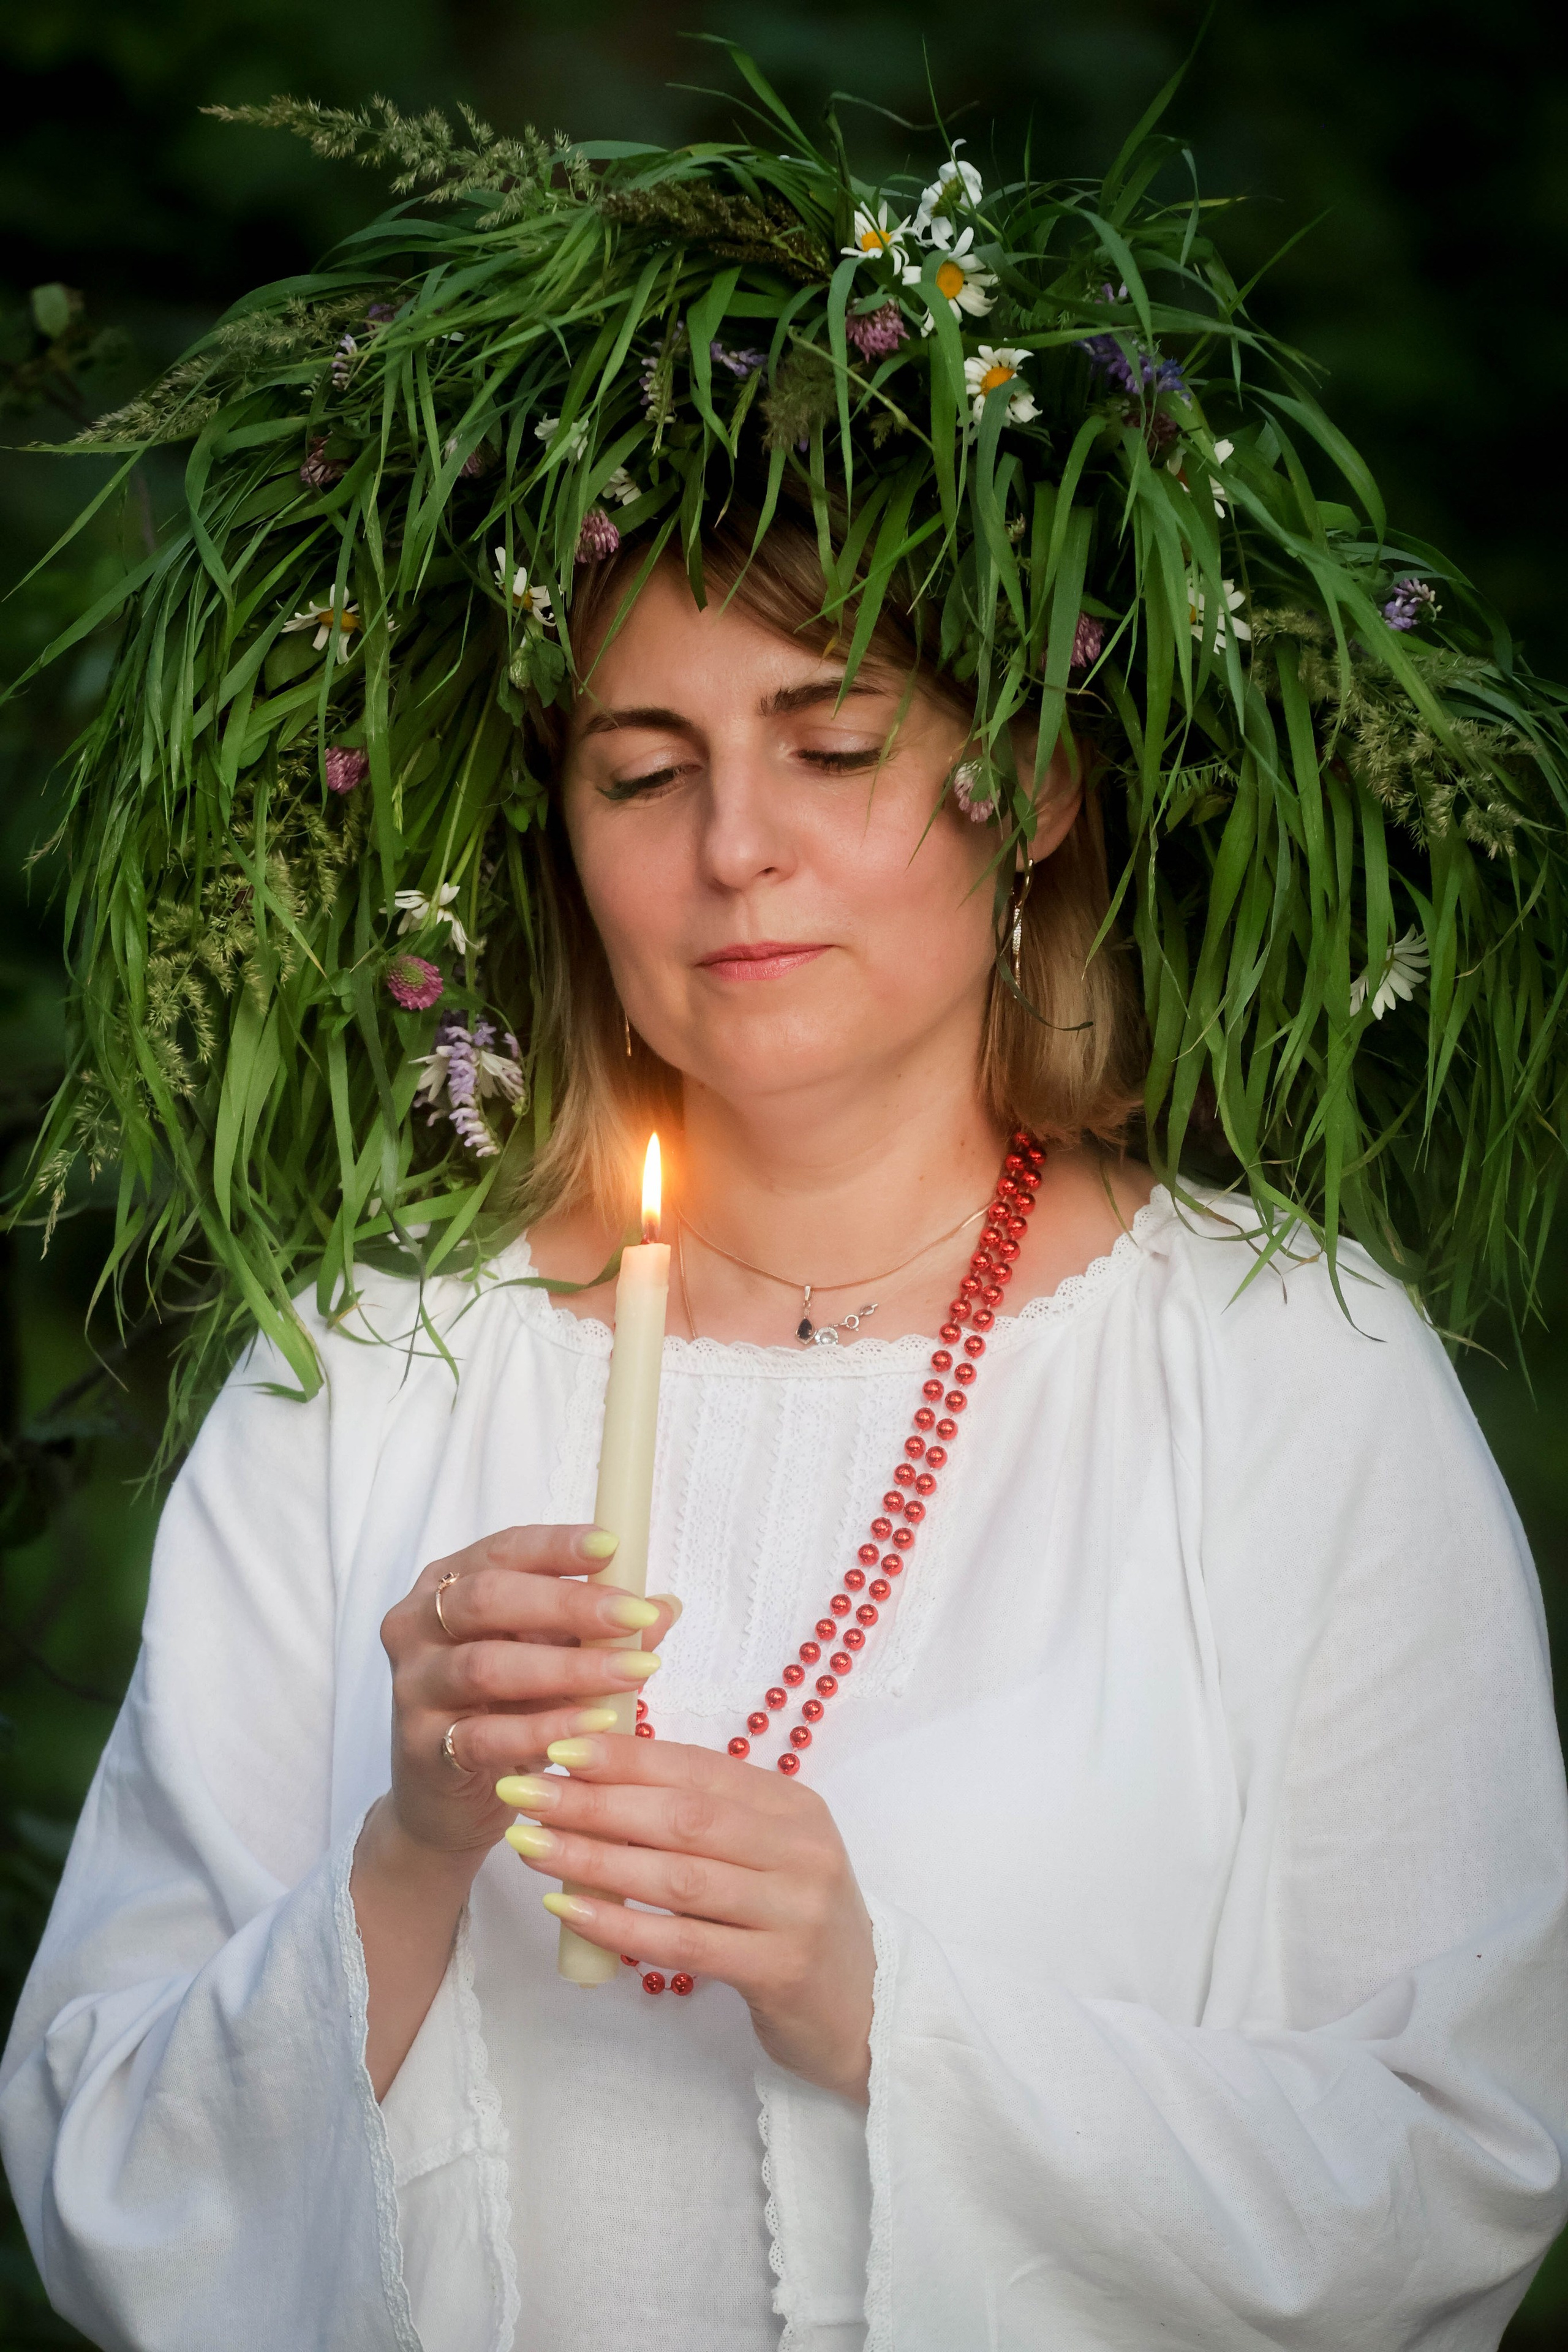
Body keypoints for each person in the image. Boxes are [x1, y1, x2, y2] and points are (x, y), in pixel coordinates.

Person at [4, 72, 1568, 2352]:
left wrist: (875, 2005)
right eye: (645, 772)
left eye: (832, 748)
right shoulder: (362, 1375)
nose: (736, 846)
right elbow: (98, 2167)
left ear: (1021, 788)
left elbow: (1453, 2165)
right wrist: (413, 1855)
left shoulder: (1283, 1370)